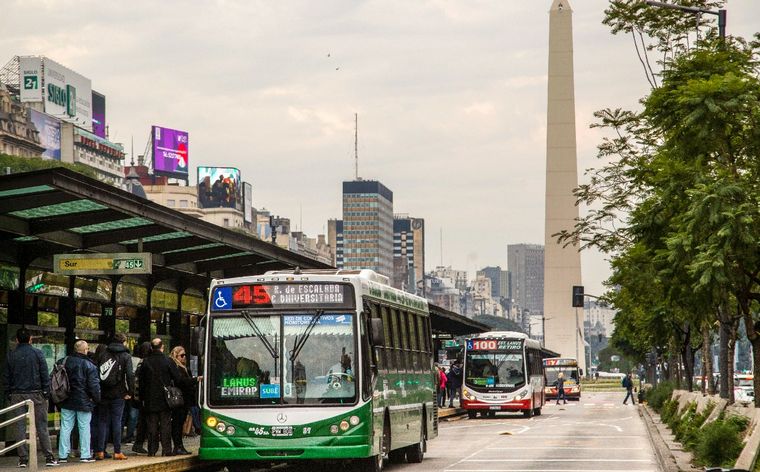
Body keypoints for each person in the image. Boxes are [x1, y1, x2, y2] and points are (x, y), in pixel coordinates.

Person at [1, 328, 58, 467]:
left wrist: (8, 392)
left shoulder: (11, 355)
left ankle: (23, 459)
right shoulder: (38, 353)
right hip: (37, 393)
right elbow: (44, 374)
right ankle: (49, 457)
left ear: (17, 340)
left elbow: (6, 376)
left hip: (17, 394)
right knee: (41, 425)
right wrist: (46, 392)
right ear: (30, 339)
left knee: (19, 426)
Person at [57, 340, 100, 464]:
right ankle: (85, 455)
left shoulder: (63, 361)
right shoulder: (89, 365)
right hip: (84, 400)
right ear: (85, 350)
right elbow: (94, 385)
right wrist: (96, 399)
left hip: (65, 399)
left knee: (65, 427)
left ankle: (62, 455)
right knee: (84, 427)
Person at [95, 333, 134, 461]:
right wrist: (130, 392)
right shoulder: (126, 356)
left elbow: (96, 373)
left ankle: (100, 451)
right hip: (119, 393)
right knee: (117, 421)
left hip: (103, 393)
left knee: (102, 421)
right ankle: (117, 452)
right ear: (123, 342)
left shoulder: (103, 354)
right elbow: (129, 375)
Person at [139, 338, 181, 456]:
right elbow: (177, 378)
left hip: (150, 398)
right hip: (165, 398)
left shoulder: (146, 362)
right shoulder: (168, 361)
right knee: (165, 424)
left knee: (152, 425)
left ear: (151, 348)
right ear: (162, 347)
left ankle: (152, 450)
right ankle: (166, 450)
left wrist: (142, 398)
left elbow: (141, 382)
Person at [168, 346, 202, 455]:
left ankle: (179, 446)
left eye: (185, 355)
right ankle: (178, 446)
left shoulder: (183, 367)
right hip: (180, 399)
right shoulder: (176, 367)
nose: (184, 357)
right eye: (182, 355)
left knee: (181, 422)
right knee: (178, 423)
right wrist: (195, 379)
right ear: (175, 355)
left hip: (185, 399)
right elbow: (181, 381)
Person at [131, 341, 152, 455]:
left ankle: (139, 443)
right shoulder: (146, 363)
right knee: (144, 421)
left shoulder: (140, 362)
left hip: (138, 397)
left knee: (142, 421)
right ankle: (139, 443)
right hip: (144, 398)